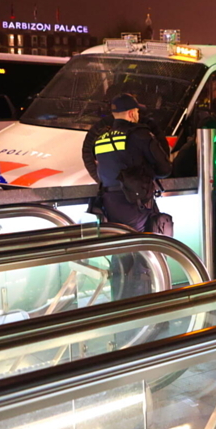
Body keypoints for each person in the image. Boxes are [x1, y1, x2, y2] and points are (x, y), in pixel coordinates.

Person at [87, 94, 172, 299]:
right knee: (143, 256)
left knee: (120, 258)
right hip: (136, 204)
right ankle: (144, 308)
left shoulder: (101, 140)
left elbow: (102, 172)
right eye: (138, 112)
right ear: (132, 113)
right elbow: (165, 168)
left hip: (110, 205)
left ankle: (120, 306)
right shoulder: (140, 135)